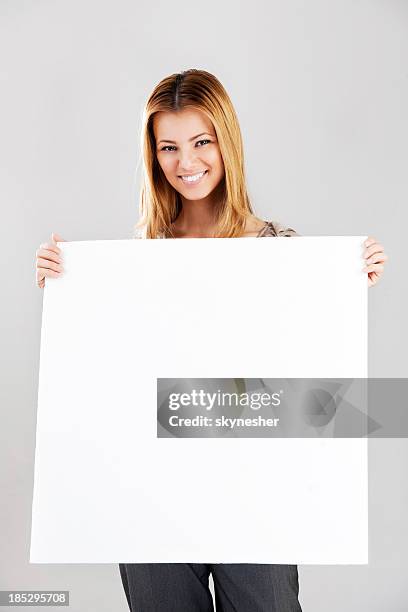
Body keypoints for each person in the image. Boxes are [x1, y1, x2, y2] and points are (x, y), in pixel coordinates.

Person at [35, 69, 388, 611]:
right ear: (153, 156)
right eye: (169, 147)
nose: (187, 162)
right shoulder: (130, 263)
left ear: (228, 143)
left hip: (255, 493)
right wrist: (67, 288)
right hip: (151, 494)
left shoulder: (282, 253)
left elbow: (309, 393)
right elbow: (107, 384)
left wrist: (343, 281)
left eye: (202, 142)